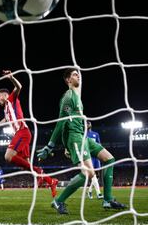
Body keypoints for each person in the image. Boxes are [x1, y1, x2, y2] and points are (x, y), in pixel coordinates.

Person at [37, 68, 126, 214]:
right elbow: (61, 122)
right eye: (74, 75)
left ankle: (108, 200)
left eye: (79, 74)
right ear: (68, 80)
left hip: (82, 136)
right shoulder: (68, 96)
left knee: (110, 159)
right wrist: (50, 146)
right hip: (75, 137)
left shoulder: (77, 95)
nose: (78, 76)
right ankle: (58, 201)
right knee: (89, 173)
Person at [0, 70, 58, 197]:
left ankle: (40, 171)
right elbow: (5, 120)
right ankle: (51, 180)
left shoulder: (11, 99)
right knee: (27, 165)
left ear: (5, 95)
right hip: (21, 134)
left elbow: (19, 87)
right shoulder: (6, 109)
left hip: (22, 132)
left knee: (8, 156)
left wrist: (11, 77)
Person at [86, 121, 103, 200]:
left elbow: (99, 144)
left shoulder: (95, 134)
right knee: (93, 174)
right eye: (86, 123)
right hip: (89, 157)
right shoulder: (83, 135)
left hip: (96, 157)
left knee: (97, 175)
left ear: (91, 125)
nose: (87, 124)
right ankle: (99, 193)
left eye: (88, 123)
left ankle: (89, 191)